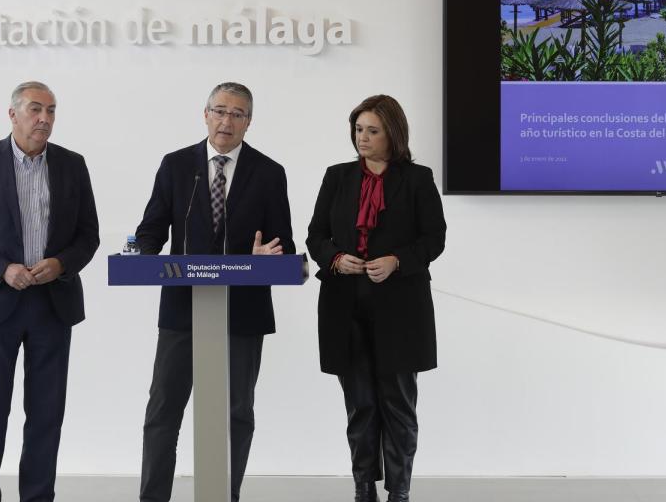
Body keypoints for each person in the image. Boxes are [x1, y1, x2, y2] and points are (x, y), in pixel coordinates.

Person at [134, 82, 294, 502]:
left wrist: (268, 254)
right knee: (163, 411)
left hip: (242, 311)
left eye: (237, 114)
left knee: (236, 413)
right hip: (183, 308)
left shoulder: (269, 172)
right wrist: (145, 257)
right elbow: (151, 230)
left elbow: (287, 247)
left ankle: (226, 495)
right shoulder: (175, 165)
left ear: (249, 122)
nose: (227, 121)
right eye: (219, 111)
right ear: (204, 114)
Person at [0, 81, 100, 502]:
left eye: (51, 110)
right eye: (35, 109)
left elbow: (89, 236)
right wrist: (2, 269)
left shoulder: (73, 164)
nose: (44, 119)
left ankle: (37, 497)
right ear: (12, 114)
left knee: (47, 416)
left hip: (54, 306)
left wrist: (62, 264)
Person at [306, 94, 446, 502]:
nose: (362, 138)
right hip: (344, 304)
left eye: (372, 130)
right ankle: (363, 488)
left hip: (401, 308)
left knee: (398, 404)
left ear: (393, 134)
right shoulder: (337, 176)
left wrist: (396, 261)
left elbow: (433, 239)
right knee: (360, 404)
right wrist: (335, 258)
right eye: (358, 130)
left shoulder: (418, 179)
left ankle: (399, 491)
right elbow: (316, 235)